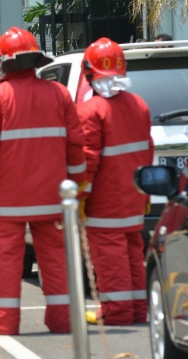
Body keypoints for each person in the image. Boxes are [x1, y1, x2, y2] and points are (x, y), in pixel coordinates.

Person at [0, 27, 87, 335]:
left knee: (5, 262)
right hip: (52, 197)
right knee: (56, 259)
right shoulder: (58, 95)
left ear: (2, 62)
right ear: (35, 59)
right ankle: (62, 320)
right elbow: (76, 145)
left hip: (8, 200)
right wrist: (80, 186)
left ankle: (4, 325)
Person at [76, 38, 154, 325]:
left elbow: (87, 160)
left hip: (104, 202)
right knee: (133, 252)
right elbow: (147, 152)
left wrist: (80, 197)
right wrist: (145, 196)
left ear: (88, 71)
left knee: (110, 257)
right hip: (134, 196)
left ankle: (117, 312)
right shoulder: (139, 104)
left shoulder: (91, 111)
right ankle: (136, 309)